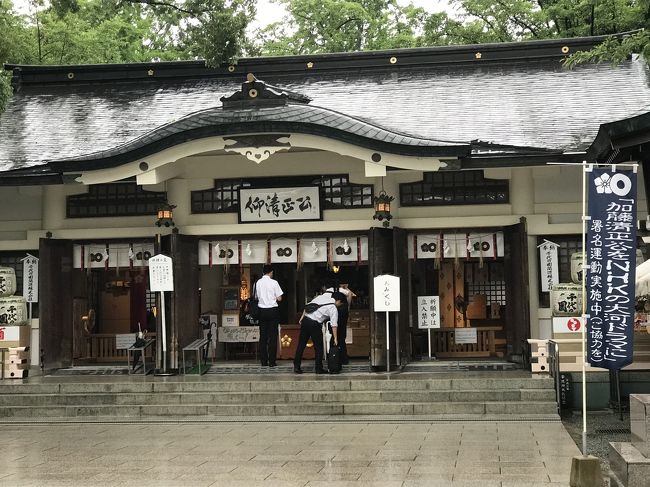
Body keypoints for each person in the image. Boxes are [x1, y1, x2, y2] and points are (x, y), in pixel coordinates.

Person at [294, 291, 347, 374]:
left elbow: (308, 306)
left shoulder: (321, 297)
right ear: (339, 301)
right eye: (341, 304)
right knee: (318, 347)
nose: (339, 306)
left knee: (301, 344)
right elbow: (334, 325)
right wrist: (335, 338)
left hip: (306, 320)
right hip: (315, 324)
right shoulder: (333, 308)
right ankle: (318, 368)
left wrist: (302, 317)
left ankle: (296, 366)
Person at [255, 264, 283, 367]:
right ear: (271, 272)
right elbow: (279, 298)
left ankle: (263, 361)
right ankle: (272, 361)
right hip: (273, 311)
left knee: (263, 336)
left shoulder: (258, 282)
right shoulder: (274, 282)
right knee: (272, 336)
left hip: (262, 311)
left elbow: (257, 297)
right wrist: (273, 298)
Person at [325, 282, 355, 365]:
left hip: (333, 311)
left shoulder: (328, 291)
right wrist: (348, 305)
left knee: (332, 335)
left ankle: (333, 358)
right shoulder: (342, 290)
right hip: (343, 312)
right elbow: (350, 294)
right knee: (342, 336)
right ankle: (343, 358)